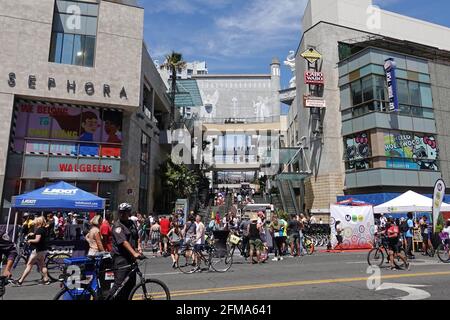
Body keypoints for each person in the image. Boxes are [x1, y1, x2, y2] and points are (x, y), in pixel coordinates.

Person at [110, 203, 142, 300]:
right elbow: (123, 242)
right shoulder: (117, 226)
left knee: (130, 285)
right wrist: (134, 253)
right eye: (120, 212)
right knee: (119, 285)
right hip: (121, 258)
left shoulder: (131, 223)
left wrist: (139, 248)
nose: (122, 214)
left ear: (129, 213)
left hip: (131, 258)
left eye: (124, 212)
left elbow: (136, 237)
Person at [17, 216, 50, 286]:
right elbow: (40, 237)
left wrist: (30, 240)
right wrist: (33, 234)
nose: (34, 223)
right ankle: (46, 280)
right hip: (43, 249)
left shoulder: (39, 230)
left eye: (36, 221)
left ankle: (20, 281)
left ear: (38, 222)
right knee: (42, 265)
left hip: (37, 250)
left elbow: (37, 240)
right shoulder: (43, 229)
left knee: (29, 264)